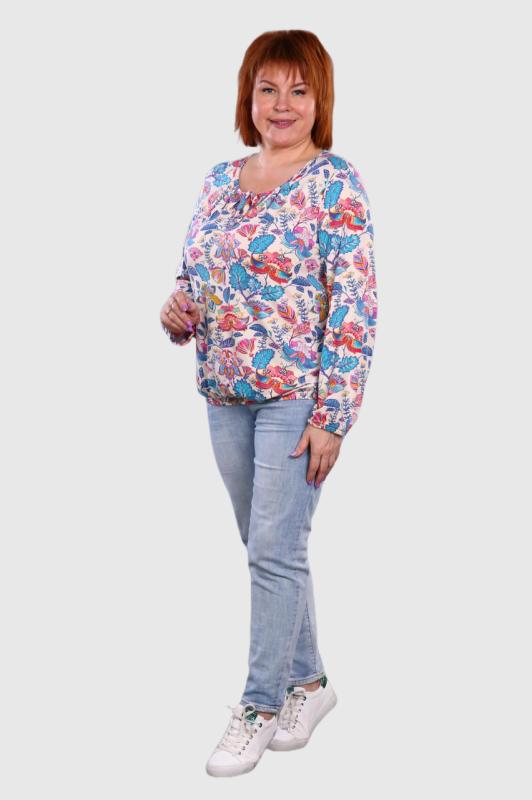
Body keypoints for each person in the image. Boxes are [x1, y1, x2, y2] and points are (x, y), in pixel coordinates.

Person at [160, 29, 378, 778]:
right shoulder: (220, 180)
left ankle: (257, 704)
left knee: (274, 552)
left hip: (295, 398)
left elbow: (354, 305)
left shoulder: (334, 183)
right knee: (267, 550)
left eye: (298, 90)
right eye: (268, 89)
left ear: (320, 100)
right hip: (224, 392)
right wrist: (177, 310)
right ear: (246, 97)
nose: (282, 104)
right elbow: (192, 274)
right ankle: (310, 685)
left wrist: (332, 416)